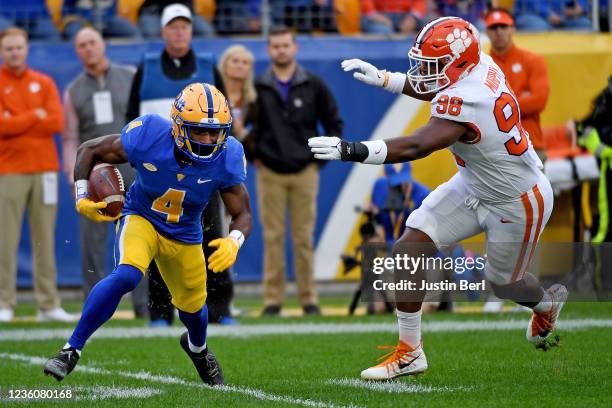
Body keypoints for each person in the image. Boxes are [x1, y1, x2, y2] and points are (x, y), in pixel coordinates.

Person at [309, 16, 567, 380]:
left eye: (433, 64)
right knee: (409, 247)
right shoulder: (480, 65)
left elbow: (419, 144)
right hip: (474, 183)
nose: (423, 72)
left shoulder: (470, 97)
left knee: (504, 283)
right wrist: (386, 79)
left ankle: (546, 303)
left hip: (517, 200)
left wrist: (352, 149)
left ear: (459, 63)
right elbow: (436, 84)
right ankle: (410, 352)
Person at [43, 83, 252, 386]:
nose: (208, 140)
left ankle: (198, 349)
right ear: (178, 127)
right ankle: (70, 350)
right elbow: (89, 149)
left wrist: (235, 241)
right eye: (198, 131)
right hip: (142, 218)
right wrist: (81, 196)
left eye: (215, 132)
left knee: (194, 309)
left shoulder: (228, 155)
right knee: (127, 275)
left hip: (185, 233)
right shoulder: (150, 135)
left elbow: (242, 213)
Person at [126, 2, 227, 326]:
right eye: (173, 26)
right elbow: (130, 118)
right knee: (157, 237)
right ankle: (159, 311)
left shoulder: (210, 66)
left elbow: (225, 116)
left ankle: (219, 308)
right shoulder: (148, 66)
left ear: (191, 30)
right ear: (163, 31)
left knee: (212, 234)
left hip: (203, 168)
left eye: (184, 25)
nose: (179, 31)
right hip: (160, 169)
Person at [248, 25, 343, 316]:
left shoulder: (313, 84)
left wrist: (319, 161)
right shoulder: (259, 86)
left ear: (295, 48)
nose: (281, 50)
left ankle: (308, 299)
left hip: (305, 172)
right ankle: (272, 300)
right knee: (272, 237)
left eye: (285, 45)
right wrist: (256, 158)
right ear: (268, 50)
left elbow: (334, 124)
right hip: (270, 173)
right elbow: (245, 129)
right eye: (275, 46)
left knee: (303, 237)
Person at [61, 27, 148, 316]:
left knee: (141, 237)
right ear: (77, 51)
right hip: (95, 172)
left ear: (103, 45)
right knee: (92, 245)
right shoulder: (73, 90)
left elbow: (145, 122)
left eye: (92, 43)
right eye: (82, 45)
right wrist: (74, 177)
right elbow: (71, 137)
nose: (88, 49)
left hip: (132, 167)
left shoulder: (130, 75)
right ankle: (95, 308)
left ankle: (144, 306)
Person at [0, 27, 74, 323]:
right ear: (2, 52)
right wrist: (35, 116)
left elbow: (56, 122)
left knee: (44, 238)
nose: (14, 52)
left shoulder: (44, 82)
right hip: (9, 171)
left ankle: (48, 303)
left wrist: (15, 119)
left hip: (45, 169)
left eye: (18, 47)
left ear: (27, 49)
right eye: (8, 48)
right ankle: (5, 301)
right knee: (6, 239)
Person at [486, 9, 549, 160]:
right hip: (493, 149)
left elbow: (539, 101)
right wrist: (520, 99)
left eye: (503, 26)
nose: (499, 32)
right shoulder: (482, 66)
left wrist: (496, 105)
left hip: (530, 145)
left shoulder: (533, 60)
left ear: (512, 29)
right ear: (487, 32)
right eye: (494, 28)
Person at [61, 0, 141, 39]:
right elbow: (67, 10)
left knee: (131, 30)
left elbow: (113, 7)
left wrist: (106, 17)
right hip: (81, 21)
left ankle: (136, 63)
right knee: (74, 32)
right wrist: (75, 19)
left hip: (106, 20)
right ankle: (74, 64)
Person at [138, 0, 215, 39]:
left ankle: (196, 59)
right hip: (156, 10)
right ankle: (157, 60)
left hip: (186, 9)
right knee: (152, 33)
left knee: (206, 32)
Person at [513, 0, 592, 31]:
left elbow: (583, 3)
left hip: (563, 17)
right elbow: (528, 2)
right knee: (540, 27)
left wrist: (580, 7)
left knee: (585, 24)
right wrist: (547, 14)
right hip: (531, 14)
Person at [360, 0, 428, 35]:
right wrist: (376, 16)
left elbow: (420, 2)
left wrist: (413, 17)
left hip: (408, 15)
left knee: (431, 28)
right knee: (384, 32)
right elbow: (366, 3)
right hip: (378, 16)